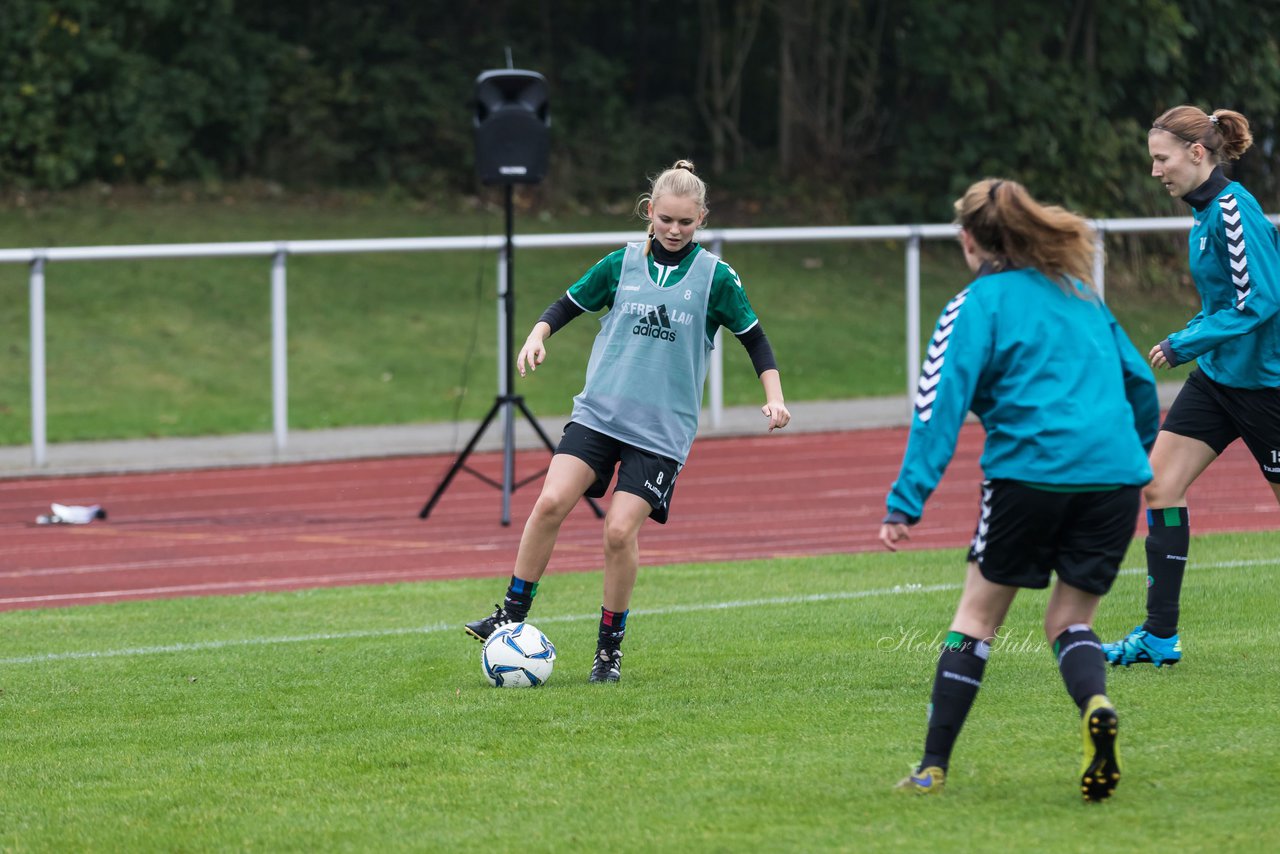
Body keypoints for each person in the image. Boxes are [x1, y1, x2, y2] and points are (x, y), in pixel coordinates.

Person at [879, 178, 1160, 801]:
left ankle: (931, 767)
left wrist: (906, 501)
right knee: (1070, 619)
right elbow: (1140, 381)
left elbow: (936, 407)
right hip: (1113, 477)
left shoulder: (976, 304)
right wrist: (1135, 455)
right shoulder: (1081, 293)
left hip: (1029, 474)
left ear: (972, 239)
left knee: (976, 619)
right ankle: (1094, 704)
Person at [463, 159, 791, 682]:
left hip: (660, 434)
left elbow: (756, 340)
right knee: (549, 502)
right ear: (649, 213)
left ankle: (608, 651)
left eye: (686, 221)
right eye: (666, 219)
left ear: (701, 218)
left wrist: (774, 397)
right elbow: (567, 304)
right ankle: (511, 612)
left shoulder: (716, 278)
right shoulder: (620, 264)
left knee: (618, 532)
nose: (675, 230)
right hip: (598, 414)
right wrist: (538, 334)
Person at [1103, 106, 1280, 668]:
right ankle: (1160, 636)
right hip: (1221, 380)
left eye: (1162, 158)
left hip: (1268, 386)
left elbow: (1262, 301)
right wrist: (1197, 339)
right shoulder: (1203, 214)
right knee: (1159, 486)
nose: (1156, 171)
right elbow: (1226, 304)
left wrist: (1186, 342)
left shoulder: (1232, 211)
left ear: (1196, 154)